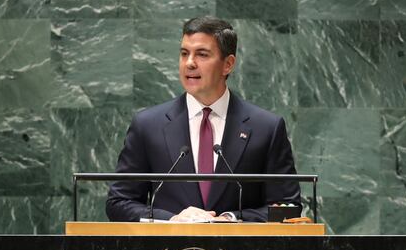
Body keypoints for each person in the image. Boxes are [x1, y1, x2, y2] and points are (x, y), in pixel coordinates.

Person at [106, 16, 300, 222]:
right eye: (184, 54)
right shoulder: (148, 125)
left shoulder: (266, 128)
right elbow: (119, 202)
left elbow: (287, 208)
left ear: (228, 64)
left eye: (202, 54)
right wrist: (172, 219)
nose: (189, 63)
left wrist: (230, 219)